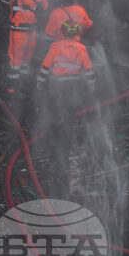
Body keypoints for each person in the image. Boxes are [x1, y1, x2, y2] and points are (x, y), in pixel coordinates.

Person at [36, 21, 96, 196]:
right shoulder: (81, 48)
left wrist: (40, 83)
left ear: (61, 31)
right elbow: (89, 69)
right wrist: (92, 87)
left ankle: (56, 135)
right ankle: (68, 137)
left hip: (58, 86)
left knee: (56, 110)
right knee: (70, 111)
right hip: (74, 85)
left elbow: (45, 67)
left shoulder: (55, 47)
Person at [1, 0, 48, 93]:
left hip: (31, 32)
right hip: (18, 33)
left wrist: (38, 1)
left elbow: (44, 6)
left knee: (27, 59)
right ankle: (12, 87)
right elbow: (4, 0)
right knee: (15, 62)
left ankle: (23, 84)